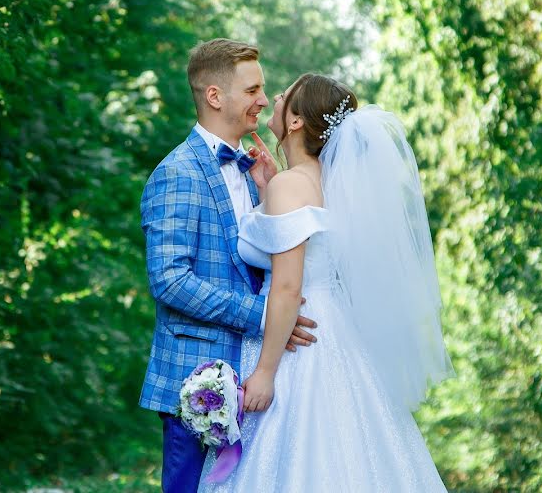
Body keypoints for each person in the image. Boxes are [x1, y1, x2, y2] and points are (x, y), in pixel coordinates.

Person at [199, 74, 455, 492]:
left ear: (296, 122)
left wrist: (264, 372)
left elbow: (287, 287)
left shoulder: (290, 186)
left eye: (283, 97)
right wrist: (268, 188)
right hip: (336, 331)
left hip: (296, 339)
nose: (273, 99)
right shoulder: (331, 183)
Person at [139, 39, 319, 493]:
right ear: (215, 96)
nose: (263, 99)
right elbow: (170, 280)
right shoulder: (177, 172)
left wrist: (267, 191)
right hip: (196, 380)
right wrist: (263, 315)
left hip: (258, 376)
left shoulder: (254, 170)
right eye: (253, 90)